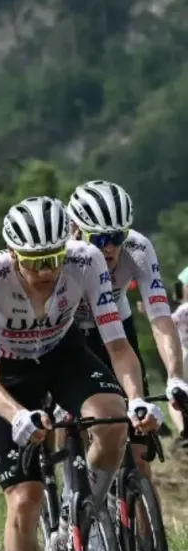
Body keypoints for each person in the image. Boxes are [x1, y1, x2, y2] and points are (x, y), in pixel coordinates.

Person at [0, 196, 163, 551]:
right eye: (34, 261)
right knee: (25, 500)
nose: (46, 271)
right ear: (12, 254)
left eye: (53, 258)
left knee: (112, 416)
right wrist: (17, 415)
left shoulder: (85, 260)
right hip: (10, 373)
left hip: (63, 353)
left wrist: (136, 397)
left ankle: (88, 515)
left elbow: (118, 345)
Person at [67, 180, 187, 459]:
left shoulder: (138, 248)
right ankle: (73, 488)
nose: (109, 248)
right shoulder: (64, 254)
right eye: (99, 239)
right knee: (71, 420)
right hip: (68, 331)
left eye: (117, 237)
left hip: (117, 328)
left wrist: (175, 377)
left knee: (138, 447)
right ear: (76, 232)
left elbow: (160, 317)